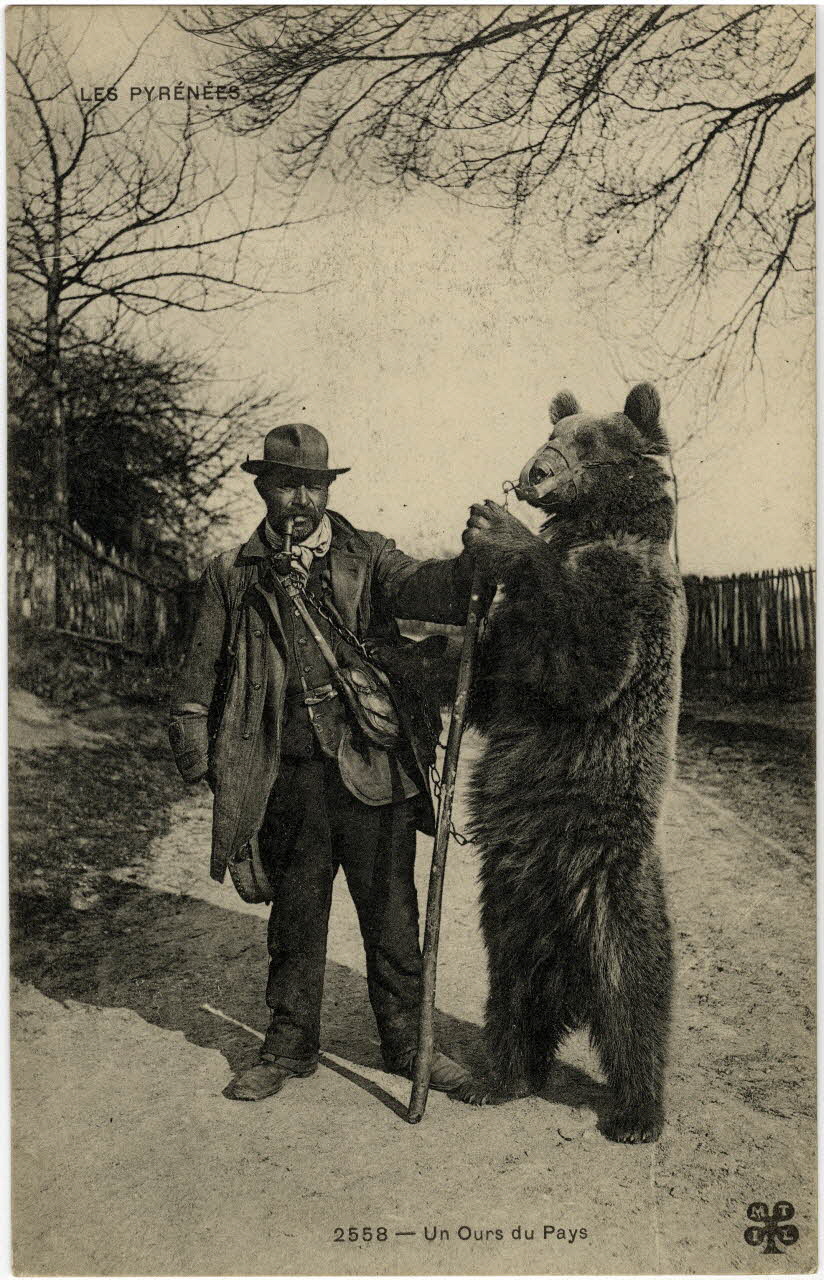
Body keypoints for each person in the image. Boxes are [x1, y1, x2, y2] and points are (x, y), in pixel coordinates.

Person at [169, 422, 477, 1102]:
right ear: (263, 487)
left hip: (377, 774)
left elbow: (428, 588)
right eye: (286, 484)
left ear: (328, 487)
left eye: (314, 484)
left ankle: (407, 1045)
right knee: (295, 920)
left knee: (394, 918)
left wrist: (473, 563)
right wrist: (206, 771)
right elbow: (195, 685)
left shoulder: (369, 555)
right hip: (289, 778)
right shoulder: (233, 574)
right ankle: (286, 1047)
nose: (301, 499)